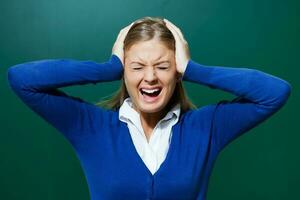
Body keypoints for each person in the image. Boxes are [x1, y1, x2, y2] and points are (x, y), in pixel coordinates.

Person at [7, 17, 291, 200]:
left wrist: (193, 68)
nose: (151, 77)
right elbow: (21, 79)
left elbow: (274, 93)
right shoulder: (91, 127)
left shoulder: (206, 127)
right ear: (125, 73)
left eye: (163, 66)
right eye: (137, 67)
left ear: (176, 72)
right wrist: (109, 67)